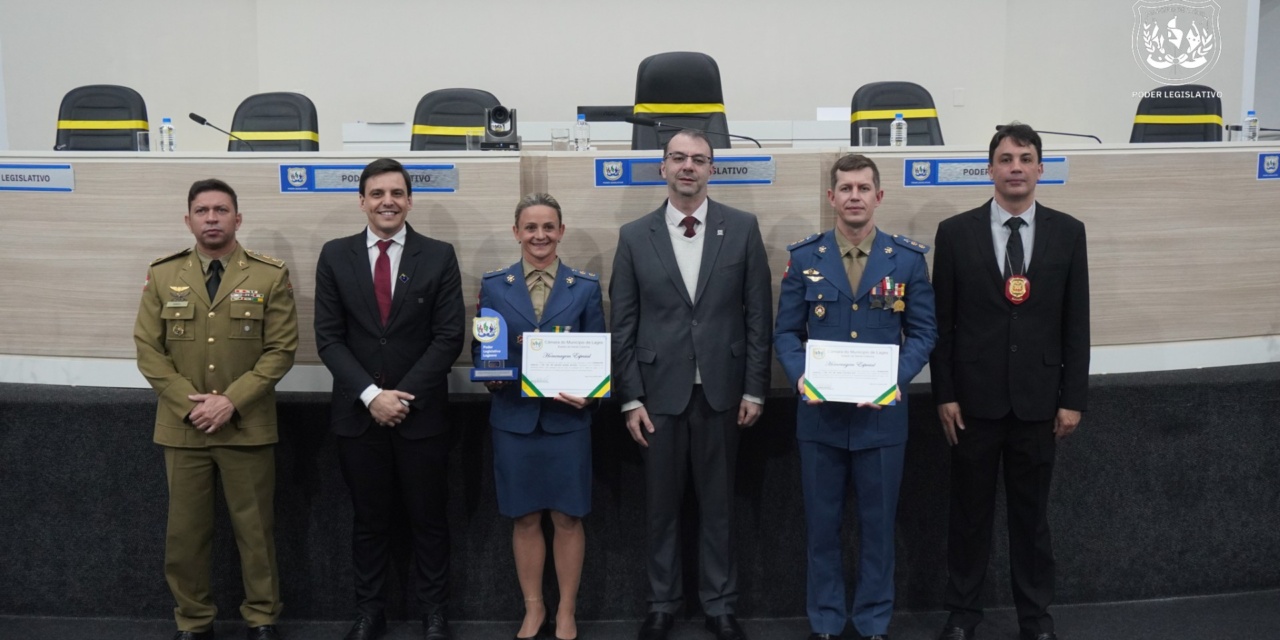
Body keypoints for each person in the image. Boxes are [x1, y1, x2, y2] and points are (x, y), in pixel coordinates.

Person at [609, 130, 773, 640]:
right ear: (663, 167)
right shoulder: (634, 235)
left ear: (711, 170)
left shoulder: (741, 228)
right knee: (660, 508)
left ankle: (719, 605)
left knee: (719, 507)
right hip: (657, 395)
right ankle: (662, 603)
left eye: (698, 159)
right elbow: (623, 325)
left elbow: (758, 316)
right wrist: (629, 397)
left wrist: (755, 388)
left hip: (722, 392)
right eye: (678, 158)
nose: (688, 167)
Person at [930, 124, 1090, 640]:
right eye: (1005, 158)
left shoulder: (1069, 232)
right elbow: (943, 325)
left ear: (1040, 169)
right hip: (972, 404)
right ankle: (962, 615)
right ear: (990, 169)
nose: (1015, 167)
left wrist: (1072, 398)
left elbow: (1076, 323)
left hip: (1039, 403)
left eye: (1024, 158)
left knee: (1031, 519)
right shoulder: (955, 233)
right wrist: (945, 393)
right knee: (969, 516)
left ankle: (1036, 620)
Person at [774, 154, 936, 640]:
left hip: (880, 421)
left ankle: (872, 623)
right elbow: (786, 333)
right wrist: (801, 377)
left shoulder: (906, 260)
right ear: (831, 197)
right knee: (821, 528)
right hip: (820, 419)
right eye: (845, 188)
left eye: (864, 188)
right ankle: (825, 622)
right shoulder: (806, 258)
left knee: (878, 529)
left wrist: (894, 379)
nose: (854, 197)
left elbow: (924, 333)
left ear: (878, 196)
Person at [134, 178, 299, 640]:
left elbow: (281, 350)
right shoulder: (163, 274)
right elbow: (148, 349)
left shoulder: (268, 275)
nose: (211, 218)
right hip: (183, 427)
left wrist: (230, 401)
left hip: (246, 425)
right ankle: (193, 620)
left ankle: (262, 617)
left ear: (237, 218)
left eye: (221, 210)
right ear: (188, 220)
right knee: (185, 535)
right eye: (202, 211)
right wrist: (191, 406)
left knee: (256, 531)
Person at [313, 158, 465, 640]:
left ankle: (434, 614)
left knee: (429, 521)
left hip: (421, 416)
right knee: (369, 522)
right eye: (377, 193)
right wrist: (372, 396)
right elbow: (328, 338)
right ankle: (369, 613)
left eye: (397, 193)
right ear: (362, 201)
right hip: (359, 416)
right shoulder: (335, 255)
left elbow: (449, 337)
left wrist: (402, 398)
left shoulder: (438, 255)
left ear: (409, 201)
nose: (388, 202)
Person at [473, 193, 605, 640]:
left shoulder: (584, 287)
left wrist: (593, 394)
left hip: (568, 422)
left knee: (568, 517)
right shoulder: (495, 285)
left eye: (549, 227)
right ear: (516, 232)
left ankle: (566, 610)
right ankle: (534, 607)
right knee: (525, 517)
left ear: (561, 231)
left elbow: (598, 351)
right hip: (514, 418)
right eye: (530, 227)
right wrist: (489, 374)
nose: (540, 235)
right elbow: (483, 345)